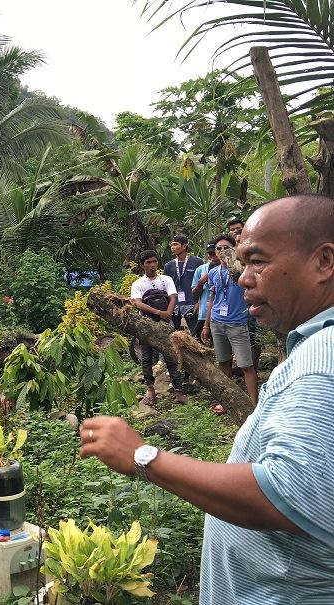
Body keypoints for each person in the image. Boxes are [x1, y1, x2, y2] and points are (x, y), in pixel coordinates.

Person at [79, 194, 334, 604]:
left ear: (324, 261)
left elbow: (288, 494)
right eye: (242, 263)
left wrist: (144, 456)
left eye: (258, 261)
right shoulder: (314, 346)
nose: (244, 278)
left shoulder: (324, 359)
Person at [201, 234, 259, 404]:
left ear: (234, 249)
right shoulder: (213, 272)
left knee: (246, 366)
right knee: (223, 362)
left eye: (226, 247)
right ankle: (228, 402)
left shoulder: (242, 270)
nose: (222, 251)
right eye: (219, 248)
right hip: (217, 322)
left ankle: (253, 404)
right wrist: (206, 326)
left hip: (237, 323)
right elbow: (212, 299)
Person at [129, 250, 187, 406]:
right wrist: (158, 312)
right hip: (146, 323)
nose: (152, 265)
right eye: (148, 262)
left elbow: (173, 296)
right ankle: (150, 390)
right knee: (147, 358)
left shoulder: (166, 279)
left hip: (166, 322)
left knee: (171, 355)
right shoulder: (138, 284)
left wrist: (167, 312)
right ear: (142, 265)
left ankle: (178, 390)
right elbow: (137, 303)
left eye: (154, 261)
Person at [163, 235, 203, 333]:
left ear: (184, 246)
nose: (172, 247)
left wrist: (199, 303)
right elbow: (166, 287)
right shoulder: (168, 266)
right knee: (174, 335)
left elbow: (203, 284)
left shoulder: (197, 262)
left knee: (196, 333)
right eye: (171, 245)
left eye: (175, 244)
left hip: (192, 304)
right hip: (174, 306)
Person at [190, 242, 220, 341]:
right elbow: (194, 294)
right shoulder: (201, 270)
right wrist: (201, 282)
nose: (212, 257)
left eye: (214, 253)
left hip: (220, 315)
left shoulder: (228, 269)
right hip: (204, 314)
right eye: (209, 254)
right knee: (195, 342)